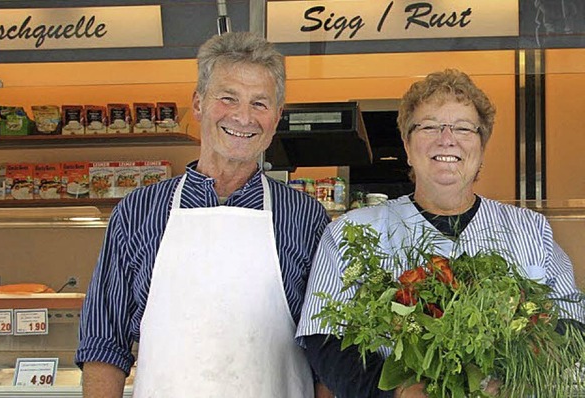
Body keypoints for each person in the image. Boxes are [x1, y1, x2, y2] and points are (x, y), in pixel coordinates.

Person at [296, 69, 585, 398]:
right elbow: (325, 338)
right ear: (407, 145)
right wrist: (398, 392)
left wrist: (515, 380)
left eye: (463, 128)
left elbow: (570, 321)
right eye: (430, 126)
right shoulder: (351, 230)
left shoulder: (530, 230)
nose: (447, 139)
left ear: (481, 148)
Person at [75, 31, 332, 397]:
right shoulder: (137, 212)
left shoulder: (306, 217)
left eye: (260, 103)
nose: (244, 117)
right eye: (228, 99)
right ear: (198, 104)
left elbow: (327, 354)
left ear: (277, 117)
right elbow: (104, 344)